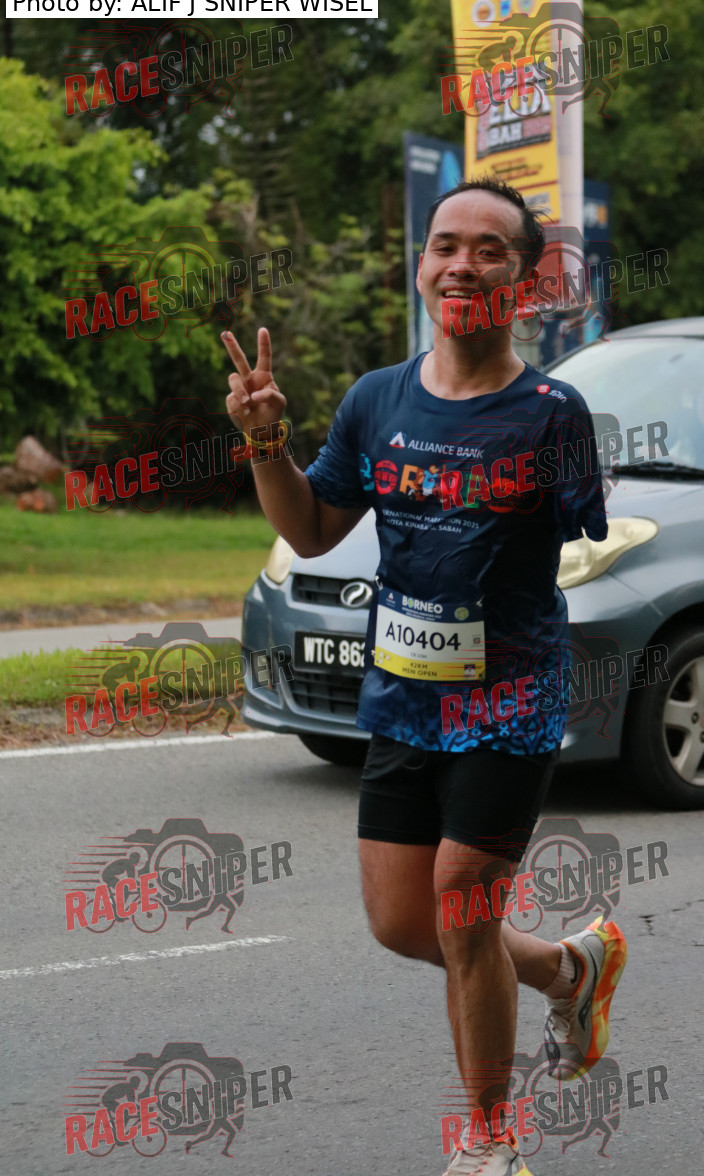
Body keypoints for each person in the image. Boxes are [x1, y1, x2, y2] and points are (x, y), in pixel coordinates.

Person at [222, 177, 627, 1175]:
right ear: (422, 266)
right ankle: (570, 970)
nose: (462, 264)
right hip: (404, 698)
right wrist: (264, 439)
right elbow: (311, 529)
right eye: (446, 245)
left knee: (461, 904)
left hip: (511, 699)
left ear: (522, 281)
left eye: (489, 250)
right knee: (407, 924)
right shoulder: (377, 398)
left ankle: (488, 1142)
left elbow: (575, 543)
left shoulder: (553, 412)